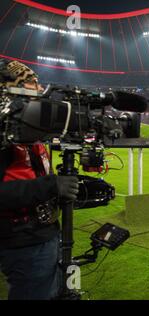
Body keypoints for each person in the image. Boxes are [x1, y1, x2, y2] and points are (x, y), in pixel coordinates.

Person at [0, 59, 79, 299]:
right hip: (21, 239)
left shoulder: (30, 130)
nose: (39, 92)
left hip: (43, 234)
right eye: (31, 86)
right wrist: (51, 185)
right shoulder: (6, 132)